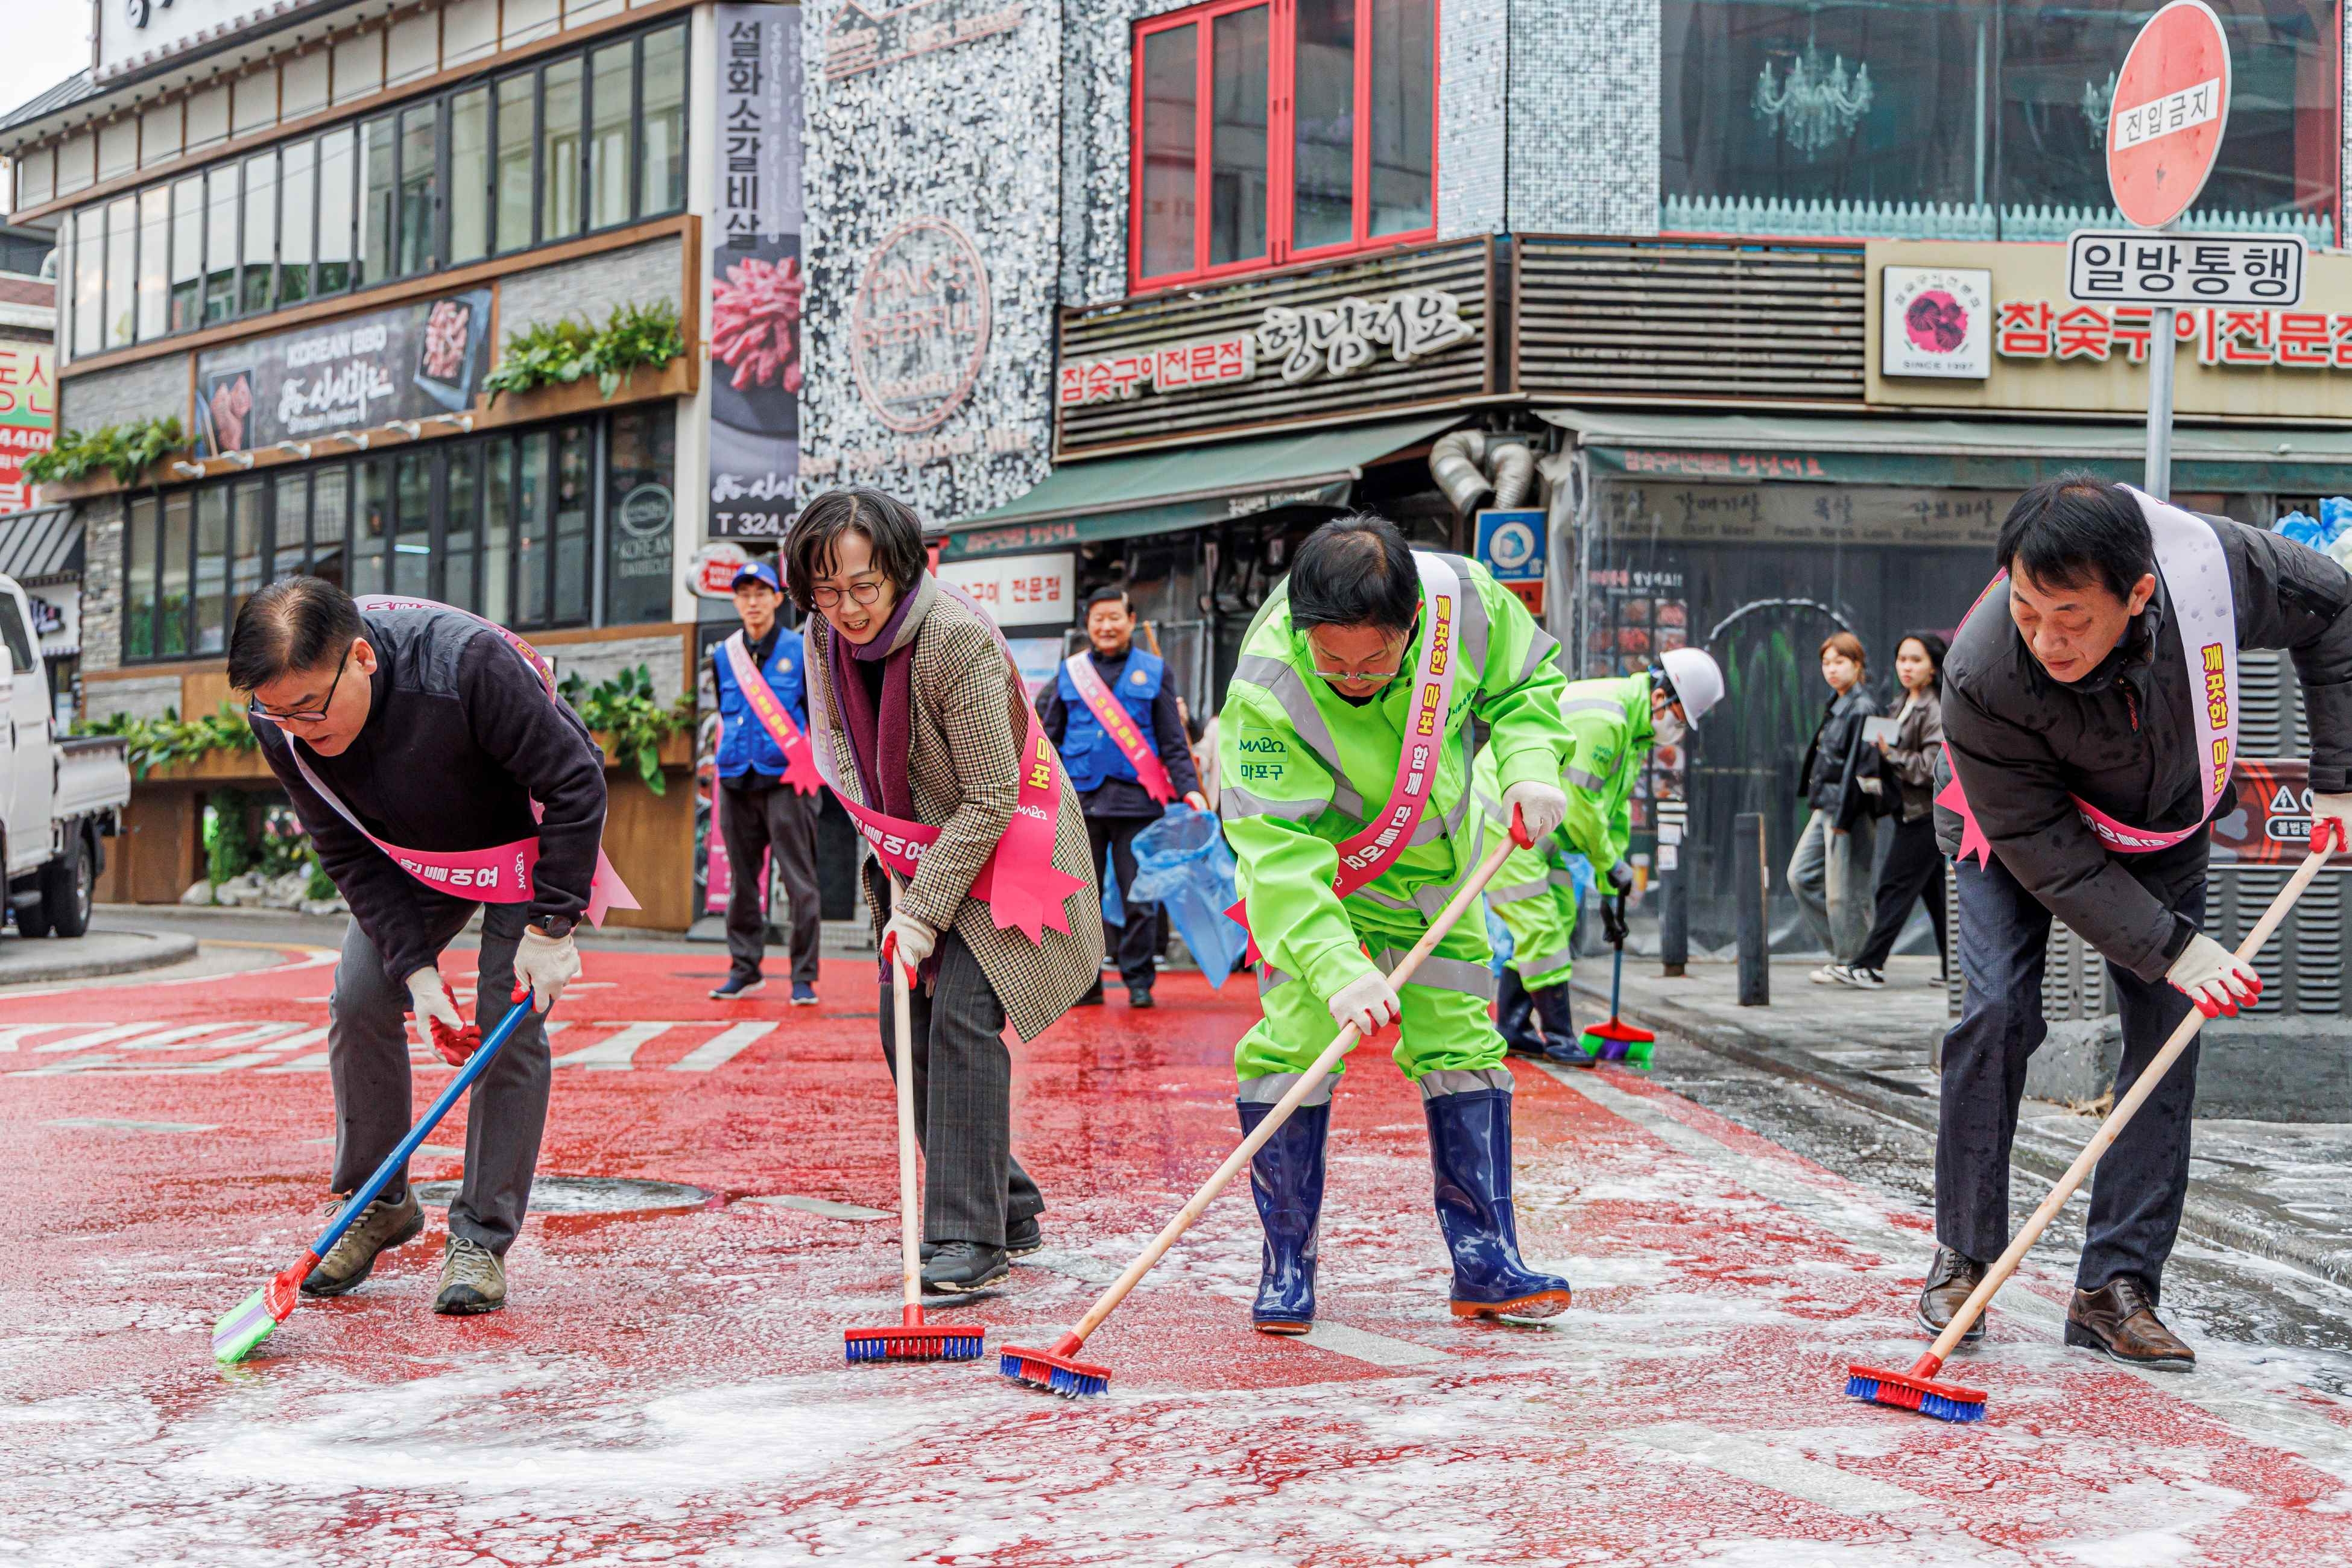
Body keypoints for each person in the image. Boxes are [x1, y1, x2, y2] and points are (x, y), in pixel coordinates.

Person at [1923, 475, 2352, 1370]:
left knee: (2168, 1031)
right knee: (1996, 1011)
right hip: (2015, 829)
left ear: (2140, 592)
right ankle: (1965, 1256)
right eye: (2029, 610)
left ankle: (2115, 1289)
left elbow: (2338, 612)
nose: (2046, 640)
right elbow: (2042, 842)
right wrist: (2171, 946)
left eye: (2072, 618)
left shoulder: (2221, 572)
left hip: (2162, 820)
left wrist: (2339, 776)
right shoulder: (1981, 669)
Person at [1218, 513, 1576, 1335]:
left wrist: (1528, 766)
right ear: (1302, 629)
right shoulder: (1267, 686)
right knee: (1293, 1055)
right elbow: (1277, 856)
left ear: (1412, 621)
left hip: (1439, 878)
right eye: (1333, 660)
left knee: (1463, 1047)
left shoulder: (1467, 606)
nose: (1354, 678)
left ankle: (1487, 1257)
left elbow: (1527, 687)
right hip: (1324, 892)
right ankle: (1286, 1263)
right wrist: (1338, 968)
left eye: (1376, 659)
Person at [230, 578, 608, 1317]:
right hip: (411, 854)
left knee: (509, 1019)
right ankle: (378, 1201)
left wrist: (552, 925)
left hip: (523, 844)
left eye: (311, 707)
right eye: (278, 712)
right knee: (361, 993)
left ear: (362, 657)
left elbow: (575, 780)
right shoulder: (279, 722)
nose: (298, 727)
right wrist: (418, 972)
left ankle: (480, 1237)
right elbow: (345, 849)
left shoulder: (466, 666)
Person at [787, 488, 1105, 1294]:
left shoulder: (951, 641)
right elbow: (858, 767)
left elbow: (994, 795)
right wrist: (908, 890)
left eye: (865, 586)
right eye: (829, 590)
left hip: (1013, 851)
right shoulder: (822, 640)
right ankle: (1010, 1201)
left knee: (962, 1017)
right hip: (923, 856)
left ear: (899, 570)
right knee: (909, 1033)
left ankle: (969, 1239)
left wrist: (924, 913)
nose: (849, 608)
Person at [1475, 647, 1725, 1062]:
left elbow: (1615, 809)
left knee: (1558, 915)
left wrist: (1616, 872)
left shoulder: (1634, 730)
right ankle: (1558, 1037)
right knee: (1541, 927)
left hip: (1541, 830)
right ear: (1662, 695)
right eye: (1680, 718)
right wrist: (1609, 864)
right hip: (1505, 821)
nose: (1677, 729)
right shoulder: (1606, 721)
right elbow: (1581, 805)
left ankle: (1514, 1028)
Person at [1037, 586, 1207, 1009]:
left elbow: (1172, 740)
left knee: (1140, 897)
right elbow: (1047, 738)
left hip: (1137, 803)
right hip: (1080, 803)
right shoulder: (1071, 672)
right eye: (1098, 618)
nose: (1107, 626)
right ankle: (1085, 982)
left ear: (1131, 621)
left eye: (1115, 617)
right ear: (1088, 626)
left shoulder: (1154, 671)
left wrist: (1190, 790)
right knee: (1077, 897)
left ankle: (1138, 980)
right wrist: (1038, 790)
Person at [707, 558, 824, 1005]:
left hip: (789, 781)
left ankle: (803, 977)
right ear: (736, 600)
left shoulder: (801, 651)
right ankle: (744, 968)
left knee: (800, 882)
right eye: (744, 594)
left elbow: (819, 717)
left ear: (778, 598)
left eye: (761, 593)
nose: (752, 602)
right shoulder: (724, 655)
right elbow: (724, 710)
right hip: (736, 778)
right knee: (742, 881)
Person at [1827, 632, 1948, 990]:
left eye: (1916, 660)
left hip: (1926, 815)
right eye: (1902, 659)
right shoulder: (1900, 704)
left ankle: (1870, 965)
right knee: (1936, 896)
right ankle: (1957, 971)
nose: (1906, 667)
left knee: (1893, 889)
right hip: (1907, 811)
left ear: (1933, 667)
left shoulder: (1935, 709)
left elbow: (1932, 768)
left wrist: (1889, 754)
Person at [1790, 631, 1879, 980]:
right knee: (1800, 876)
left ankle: (1851, 960)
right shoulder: (1838, 704)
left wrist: (1843, 816)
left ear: (1857, 665)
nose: (1832, 669)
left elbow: (1863, 768)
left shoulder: (1863, 707)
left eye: (1840, 662)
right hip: (1825, 806)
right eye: (1826, 663)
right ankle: (1845, 952)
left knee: (1845, 893)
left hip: (1847, 810)